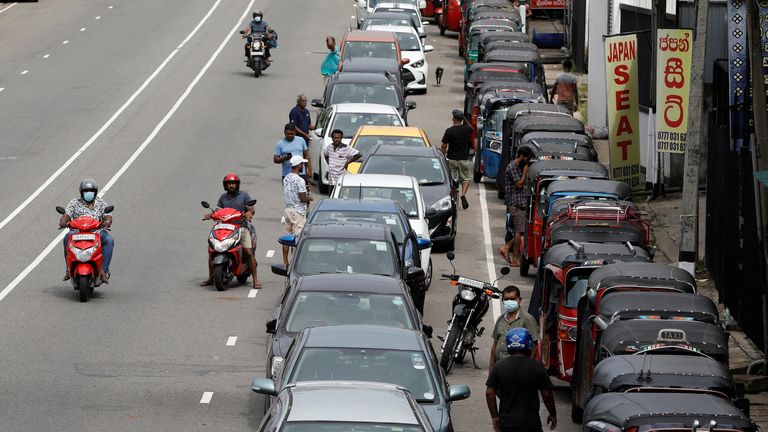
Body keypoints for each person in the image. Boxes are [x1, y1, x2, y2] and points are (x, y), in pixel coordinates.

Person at [486, 328, 557, 432]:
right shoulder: (537, 367)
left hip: (507, 423)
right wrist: (552, 414)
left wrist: (495, 417)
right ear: (528, 344)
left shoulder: (499, 366)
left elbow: (490, 393)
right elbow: (546, 394)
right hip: (531, 423)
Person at [201, 173, 261, 289]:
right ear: (225, 186)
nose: (231, 186)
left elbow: (251, 209)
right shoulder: (223, 198)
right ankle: (210, 278)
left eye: (233, 184)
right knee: (212, 250)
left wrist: (249, 212)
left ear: (237, 185)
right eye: (229, 184)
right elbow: (217, 211)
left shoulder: (244, 195)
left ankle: (255, 279)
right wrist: (211, 215)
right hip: (224, 227)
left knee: (248, 252)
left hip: (241, 227)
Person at [59, 178, 114, 283]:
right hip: (77, 232)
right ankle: (69, 268)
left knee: (109, 240)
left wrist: (107, 221)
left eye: (91, 192)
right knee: (66, 238)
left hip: (96, 232)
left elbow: (108, 216)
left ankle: (103, 271)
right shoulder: (74, 202)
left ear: (95, 192)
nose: (88, 194)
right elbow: (66, 215)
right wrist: (63, 221)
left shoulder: (101, 203)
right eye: (86, 192)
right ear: (81, 192)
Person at [489, 285, 539, 370]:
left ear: (519, 300)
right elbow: (495, 344)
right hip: (500, 367)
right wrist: (491, 368)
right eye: (506, 299)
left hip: (518, 368)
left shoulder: (528, 319)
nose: (509, 301)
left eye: (512, 299)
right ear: (502, 301)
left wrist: (526, 368)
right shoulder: (500, 319)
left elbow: (534, 345)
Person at [498, 146, 534, 266]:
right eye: (527, 158)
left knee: (522, 231)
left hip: (521, 204)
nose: (527, 161)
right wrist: (525, 173)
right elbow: (519, 184)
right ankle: (514, 259)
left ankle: (506, 247)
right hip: (516, 204)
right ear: (522, 156)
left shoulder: (517, 167)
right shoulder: (513, 167)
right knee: (520, 232)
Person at [282, 155, 314, 265]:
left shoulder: (286, 177)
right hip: (298, 212)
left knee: (287, 238)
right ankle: (296, 263)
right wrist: (310, 198)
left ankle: (286, 262)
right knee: (298, 238)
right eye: (302, 164)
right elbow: (302, 198)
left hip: (288, 210)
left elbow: (291, 191)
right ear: (298, 165)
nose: (303, 166)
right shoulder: (300, 180)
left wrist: (304, 189)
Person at [440, 109, 474, 210]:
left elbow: (444, 146)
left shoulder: (449, 131)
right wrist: (464, 118)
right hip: (463, 159)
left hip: (452, 159)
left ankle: (454, 199)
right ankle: (463, 194)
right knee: (466, 179)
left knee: (453, 180)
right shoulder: (466, 129)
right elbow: (471, 127)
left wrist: (442, 155)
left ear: (453, 119)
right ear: (462, 119)